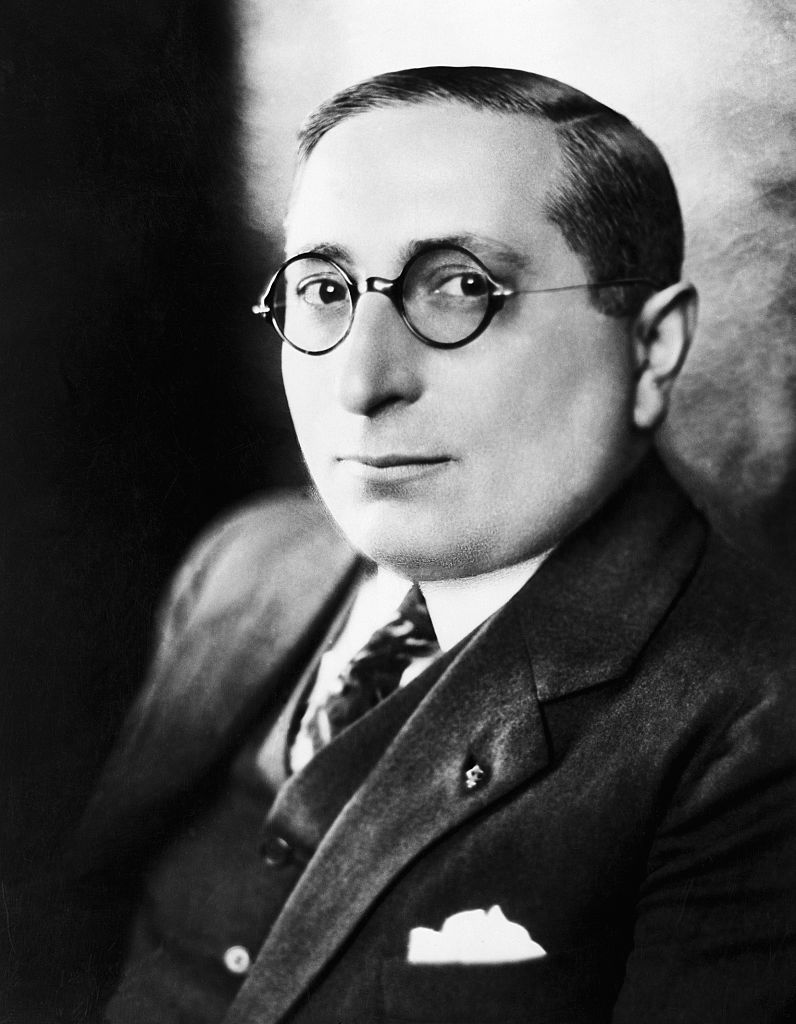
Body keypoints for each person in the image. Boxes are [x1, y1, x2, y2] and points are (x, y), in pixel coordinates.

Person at [71, 67, 796, 1023]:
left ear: (651, 347)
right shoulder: (245, 563)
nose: (362, 382)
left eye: (461, 288)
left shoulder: (754, 722)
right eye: (324, 288)